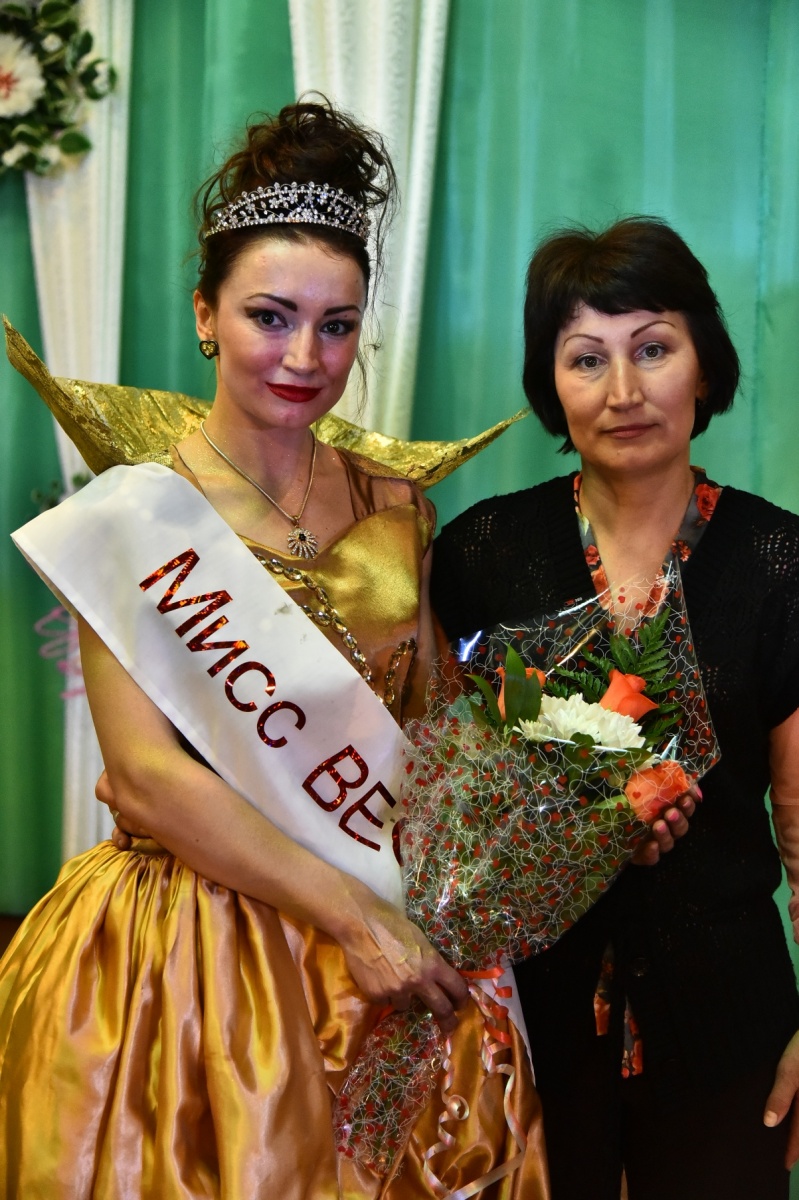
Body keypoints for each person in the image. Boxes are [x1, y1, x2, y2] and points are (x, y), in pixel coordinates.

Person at [0, 102, 550, 1199]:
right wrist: (353, 917)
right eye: (269, 316)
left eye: (336, 325)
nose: (305, 357)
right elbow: (145, 779)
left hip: (386, 934)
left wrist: (535, 832)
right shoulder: (134, 517)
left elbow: (430, 727)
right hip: (187, 952)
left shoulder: (395, 502)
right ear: (205, 315)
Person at [430, 215, 799, 1200]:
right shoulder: (484, 555)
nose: (623, 391)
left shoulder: (778, 564)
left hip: (724, 1020)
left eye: (653, 349)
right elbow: (443, 796)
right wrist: (574, 833)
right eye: (586, 358)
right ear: (550, 384)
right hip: (524, 1021)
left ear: (704, 367)